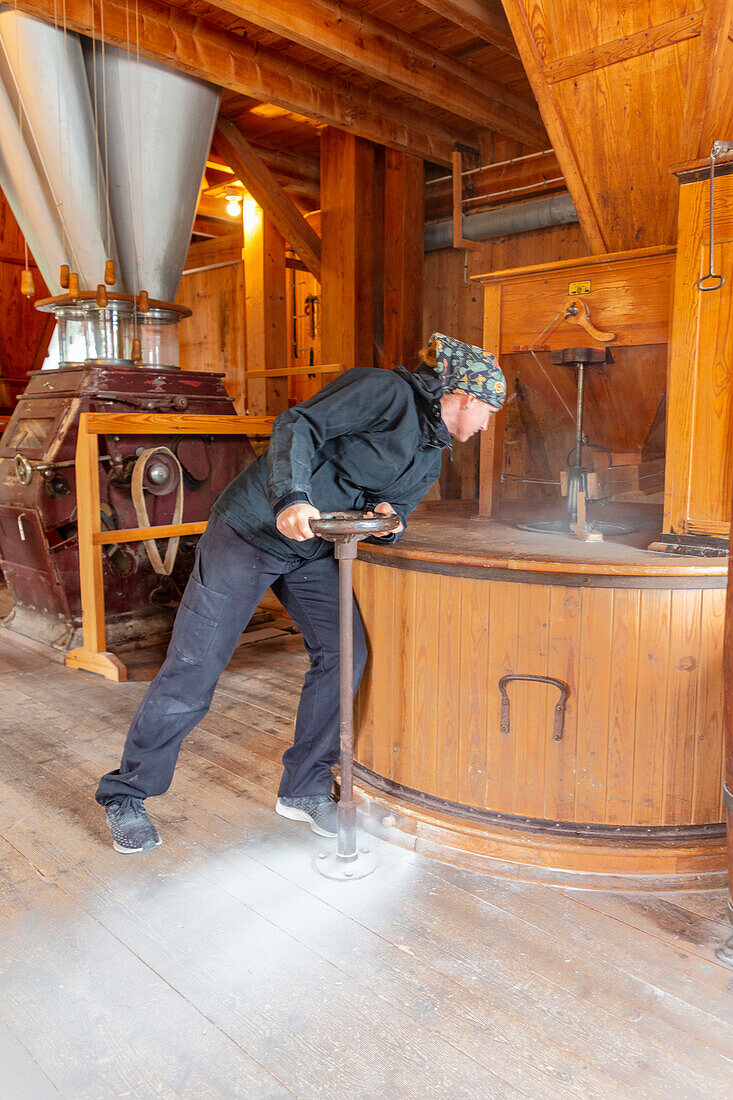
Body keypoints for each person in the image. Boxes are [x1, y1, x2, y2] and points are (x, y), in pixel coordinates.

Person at [96, 332, 506, 852]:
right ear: (465, 397)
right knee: (195, 667)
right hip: (251, 530)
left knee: (345, 652)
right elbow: (299, 424)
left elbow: (396, 506)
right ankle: (126, 793)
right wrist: (292, 496)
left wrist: (389, 521)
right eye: (489, 411)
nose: (488, 424)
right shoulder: (384, 391)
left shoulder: (431, 451)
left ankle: (305, 788)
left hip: (314, 549)